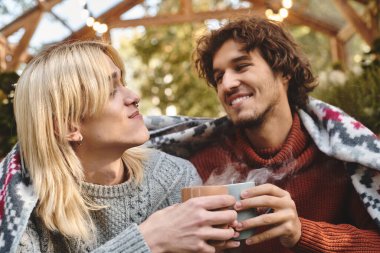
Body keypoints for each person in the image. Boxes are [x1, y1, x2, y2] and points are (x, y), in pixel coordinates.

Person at [0, 40, 240, 253]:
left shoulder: (174, 178)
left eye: (123, 82)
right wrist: (147, 241)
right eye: (111, 90)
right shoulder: (24, 210)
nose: (134, 96)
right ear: (67, 127)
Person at [190, 16, 380, 252]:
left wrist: (303, 232)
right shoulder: (203, 165)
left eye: (241, 66)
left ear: (284, 72)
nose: (227, 84)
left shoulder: (346, 157)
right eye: (219, 77)